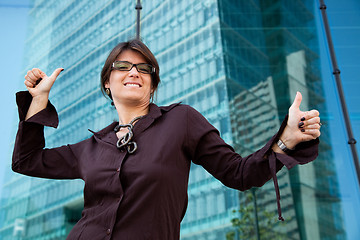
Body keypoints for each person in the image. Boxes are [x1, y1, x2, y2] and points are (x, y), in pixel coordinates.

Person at [13, 39, 321, 240]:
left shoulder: (181, 120)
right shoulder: (91, 147)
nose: (134, 71)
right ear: (107, 82)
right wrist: (38, 100)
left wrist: (284, 142)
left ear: (151, 85)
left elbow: (238, 174)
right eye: (123, 66)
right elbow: (26, 161)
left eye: (143, 68)